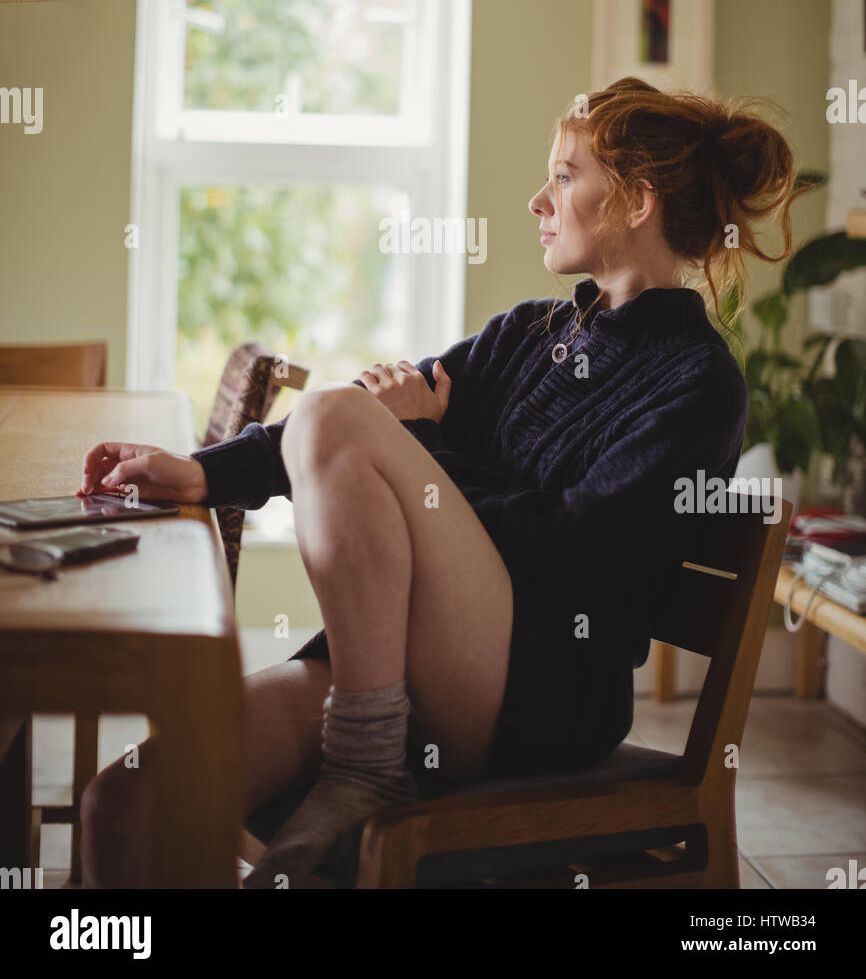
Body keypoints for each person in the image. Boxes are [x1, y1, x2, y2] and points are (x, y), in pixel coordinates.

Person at [78, 76, 802, 889]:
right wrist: (200, 474)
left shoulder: (698, 383)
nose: (539, 199)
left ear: (637, 201)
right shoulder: (527, 332)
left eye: (565, 176)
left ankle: (361, 766)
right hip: (389, 674)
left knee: (335, 415)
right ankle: (368, 744)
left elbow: (580, 552)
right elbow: (349, 430)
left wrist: (422, 440)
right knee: (123, 805)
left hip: (538, 694)